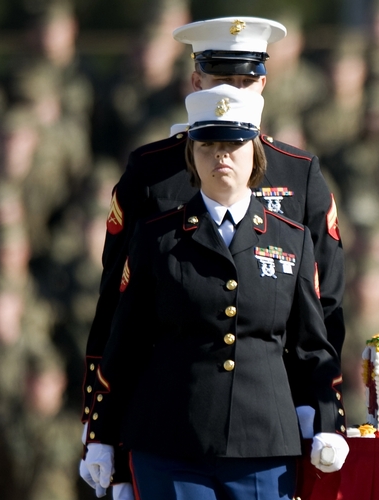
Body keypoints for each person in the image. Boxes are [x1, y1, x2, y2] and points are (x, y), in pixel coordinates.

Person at [80, 16, 347, 497]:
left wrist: (321, 411)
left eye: (246, 82)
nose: (235, 93)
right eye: (222, 81)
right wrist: (105, 436)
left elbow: (323, 310)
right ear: (196, 81)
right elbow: (118, 310)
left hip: (269, 421)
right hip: (173, 419)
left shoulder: (300, 172)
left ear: (264, 84)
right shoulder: (152, 172)